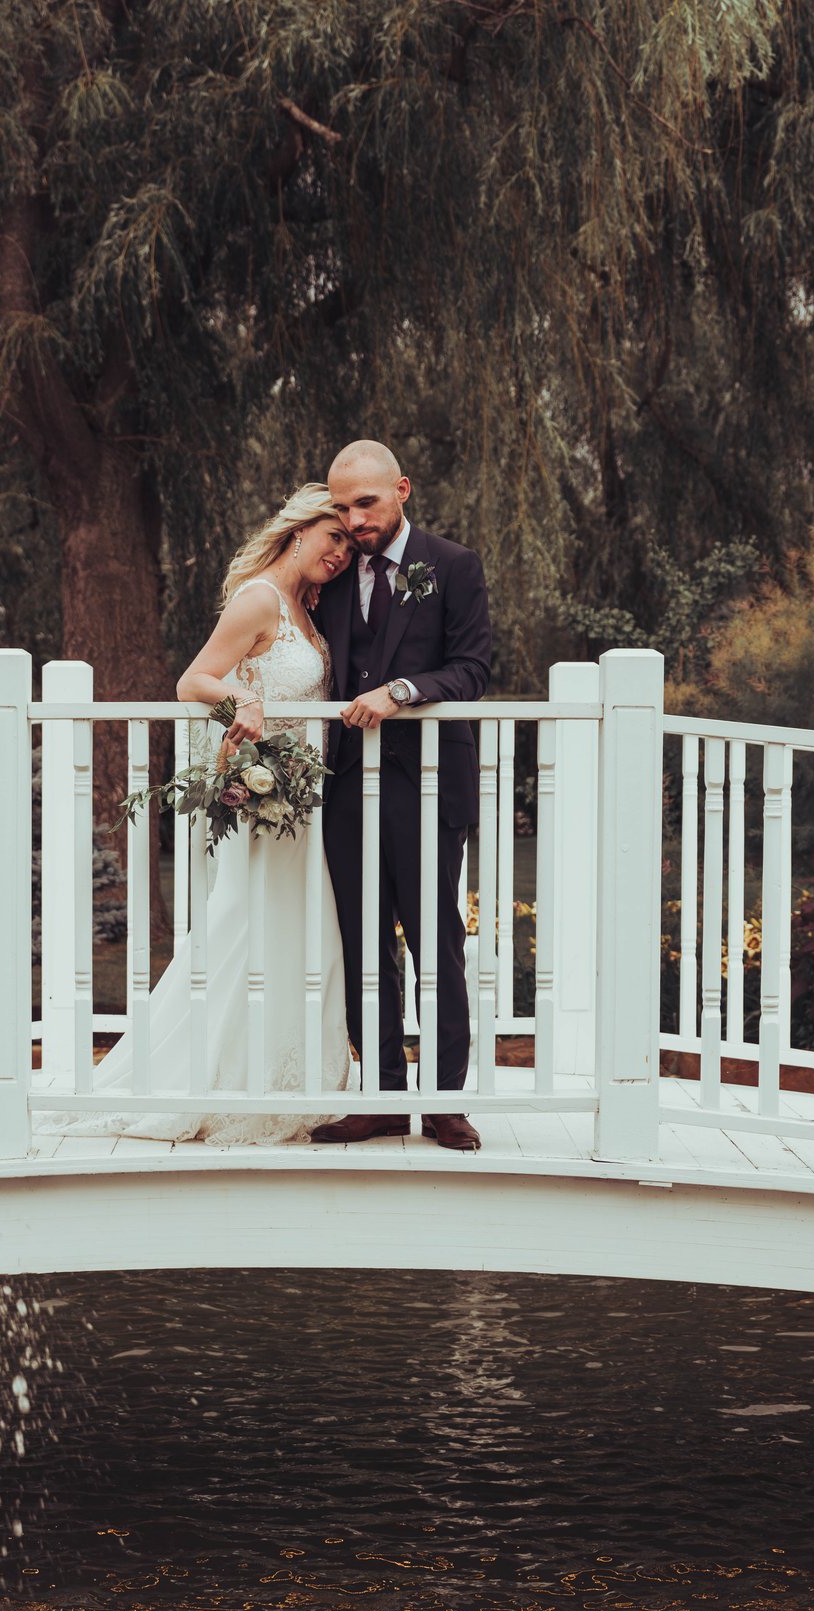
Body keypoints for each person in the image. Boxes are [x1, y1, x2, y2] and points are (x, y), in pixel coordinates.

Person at [38, 484, 358, 1143]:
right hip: (268, 802)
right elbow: (195, 680)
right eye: (334, 538)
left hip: (301, 804)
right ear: (299, 531)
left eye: (353, 545)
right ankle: (208, 1076)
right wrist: (240, 706)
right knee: (245, 930)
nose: (343, 553)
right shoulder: (260, 599)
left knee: (305, 937)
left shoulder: (304, 603)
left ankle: (290, 1078)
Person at [311, 440, 495, 1151]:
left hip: (428, 788)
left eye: (367, 502)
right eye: (344, 506)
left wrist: (402, 692)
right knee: (363, 945)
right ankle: (382, 1096)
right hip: (347, 790)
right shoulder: (328, 576)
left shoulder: (452, 566)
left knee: (434, 942)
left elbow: (473, 668)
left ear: (402, 491)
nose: (355, 519)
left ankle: (446, 1101)